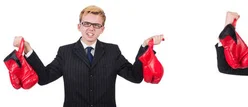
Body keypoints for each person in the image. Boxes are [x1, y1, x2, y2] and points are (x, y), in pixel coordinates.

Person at [13, 5, 164, 107]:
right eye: (86, 24)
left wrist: (145, 47)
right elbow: (44, 78)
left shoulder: (113, 51)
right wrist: (28, 50)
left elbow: (135, 77)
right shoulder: (65, 52)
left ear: (102, 29)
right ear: (79, 26)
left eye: (96, 25)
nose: (91, 28)